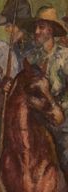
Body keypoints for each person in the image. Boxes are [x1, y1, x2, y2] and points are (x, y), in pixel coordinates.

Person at [21, 5, 68, 173]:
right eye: (36, 27)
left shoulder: (65, 57)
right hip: (35, 115)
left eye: (41, 27)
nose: (37, 31)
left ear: (51, 30)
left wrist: (53, 102)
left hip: (60, 118)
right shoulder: (31, 57)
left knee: (65, 151)